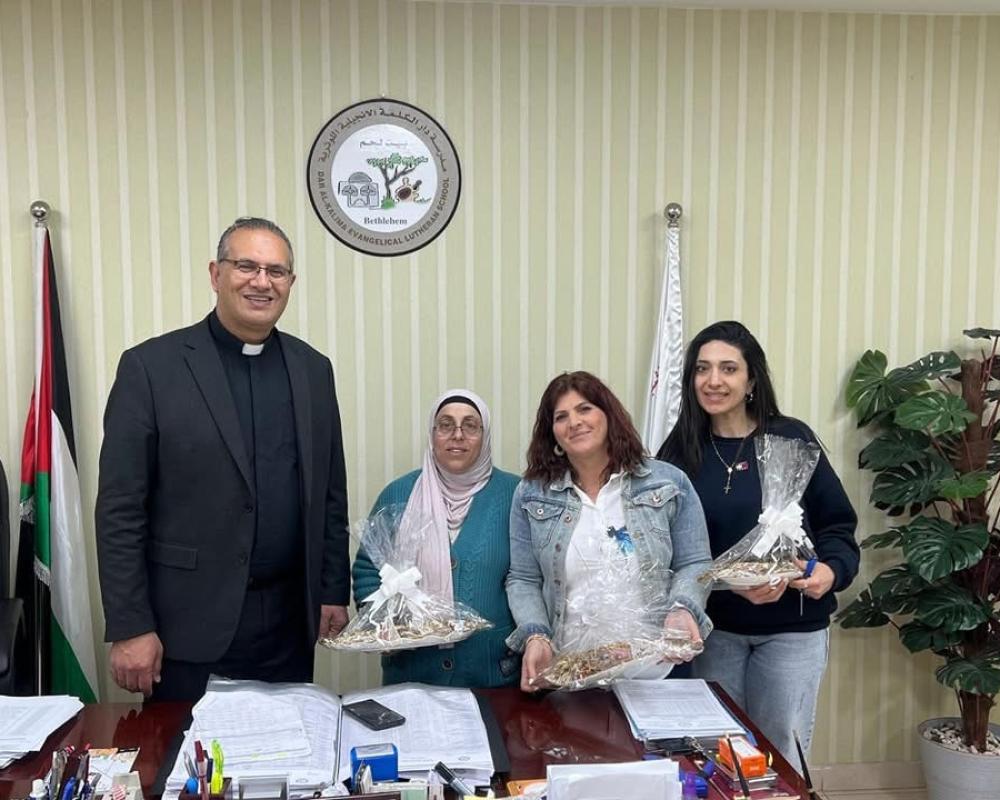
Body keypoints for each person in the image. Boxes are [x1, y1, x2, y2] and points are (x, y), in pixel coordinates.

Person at [95, 217, 350, 701]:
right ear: (216, 274)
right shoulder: (150, 367)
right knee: (188, 751)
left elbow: (330, 494)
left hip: (288, 625)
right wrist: (130, 625)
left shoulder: (314, 370)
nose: (262, 281)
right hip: (186, 628)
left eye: (276, 271)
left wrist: (332, 590)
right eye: (246, 266)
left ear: (291, 283)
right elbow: (120, 509)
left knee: (287, 747)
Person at [656, 320, 860, 764]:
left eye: (728, 368)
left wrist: (830, 572)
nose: (713, 380)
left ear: (751, 380)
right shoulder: (679, 452)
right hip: (714, 630)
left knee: (778, 753)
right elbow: (665, 550)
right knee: (717, 752)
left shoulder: (791, 439)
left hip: (791, 629)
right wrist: (725, 584)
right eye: (702, 369)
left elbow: (838, 525)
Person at [506, 371, 713, 693]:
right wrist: (536, 634)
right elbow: (523, 579)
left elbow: (695, 562)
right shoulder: (532, 494)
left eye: (585, 409)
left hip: (658, 668)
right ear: (553, 434)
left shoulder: (669, 482)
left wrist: (683, 608)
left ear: (608, 415)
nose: (574, 422)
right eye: (561, 417)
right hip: (570, 673)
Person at [352, 390, 520, 688]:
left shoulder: (514, 494)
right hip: (411, 675)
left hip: (493, 676)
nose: (458, 435)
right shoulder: (398, 494)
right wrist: (380, 624)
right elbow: (368, 569)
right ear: (432, 435)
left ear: (485, 436)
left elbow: (530, 577)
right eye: (445, 425)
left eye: (470, 426)